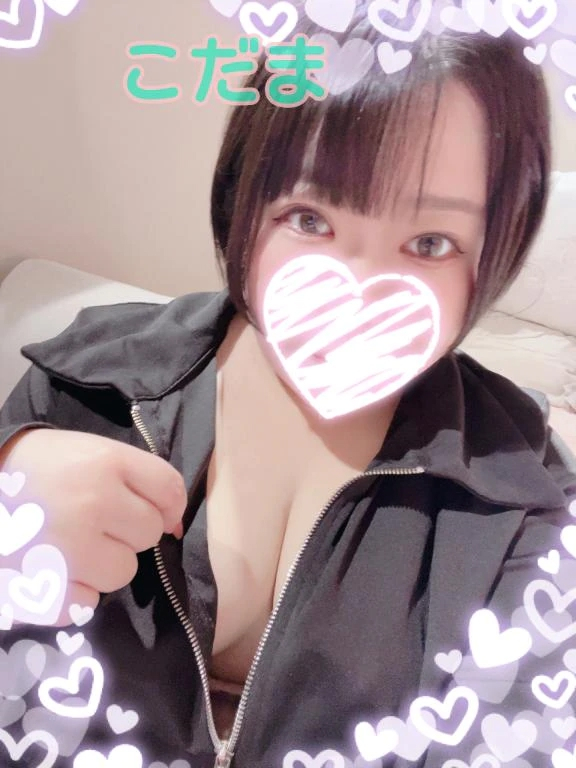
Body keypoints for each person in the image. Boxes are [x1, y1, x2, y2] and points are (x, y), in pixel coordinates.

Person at [1, 4, 575, 768]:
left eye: (430, 243)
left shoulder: (526, 498)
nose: (358, 292)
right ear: (243, 195)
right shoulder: (83, 386)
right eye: (309, 219)